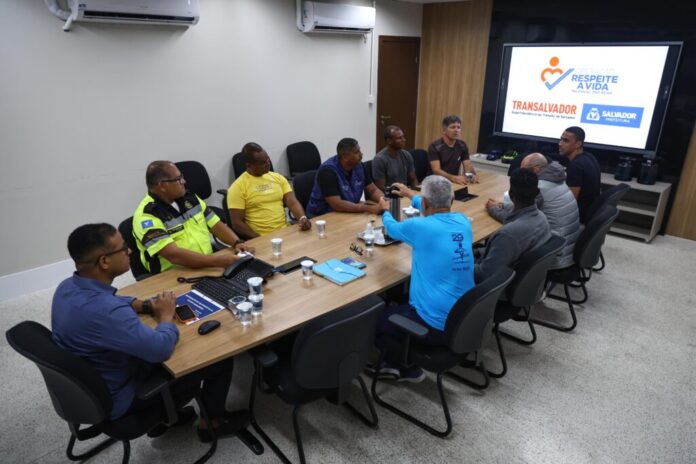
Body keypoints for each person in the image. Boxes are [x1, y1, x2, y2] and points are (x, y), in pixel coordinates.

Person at [51, 223, 249, 442]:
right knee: (217, 357)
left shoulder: (67, 287)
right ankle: (212, 424)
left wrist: (144, 305)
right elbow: (160, 350)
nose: (130, 251)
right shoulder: (107, 312)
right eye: (123, 248)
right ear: (104, 261)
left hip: (96, 383)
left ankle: (165, 420)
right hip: (124, 398)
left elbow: (110, 300)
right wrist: (165, 315)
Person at [374, 175, 475, 382]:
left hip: (435, 327)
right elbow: (433, 207)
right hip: (464, 318)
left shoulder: (420, 227)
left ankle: (404, 368)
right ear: (452, 200)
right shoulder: (463, 222)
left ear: (426, 203)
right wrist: (409, 194)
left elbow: (391, 228)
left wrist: (384, 210)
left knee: (378, 319)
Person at [133, 160, 254, 275]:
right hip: (174, 274)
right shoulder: (147, 216)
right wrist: (219, 261)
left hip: (206, 264)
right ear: (162, 185)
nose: (184, 181)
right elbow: (174, 255)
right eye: (178, 179)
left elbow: (216, 225)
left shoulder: (190, 199)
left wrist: (237, 242)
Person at [485, 153, 580, 269]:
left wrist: (494, 210)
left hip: (551, 257)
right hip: (565, 247)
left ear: (535, 170)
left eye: (524, 169)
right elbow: (526, 208)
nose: (522, 172)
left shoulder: (539, 187)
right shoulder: (556, 178)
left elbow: (520, 218)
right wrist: (503, 205)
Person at [476, 168, 551, 282]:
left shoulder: (508, 234)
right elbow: (505, 249)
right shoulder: (542, 218)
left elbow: (483, 275)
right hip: (525, 281)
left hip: (496, 285)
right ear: (537, 193)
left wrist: (456, 264)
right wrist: (479, 251)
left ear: (511, 194)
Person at [227, 143, 311, 238]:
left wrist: (302, 218)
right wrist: (259, 239)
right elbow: (237, 223)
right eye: (262, 163)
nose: (268, 164)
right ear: (249, 165)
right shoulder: (237, 187)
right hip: (260, 237)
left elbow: (292, 203)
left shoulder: (278, 178)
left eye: (267, 159)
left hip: (285, 232)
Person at [306, 138, 384, 216]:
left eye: (359, 150)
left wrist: (384, 200)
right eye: (356, 152)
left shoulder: (359, 166)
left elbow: (373, 191)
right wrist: (367, 208)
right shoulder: (327, 172)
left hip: (348, 211)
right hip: (322, 215)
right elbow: (337, 204)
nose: (361, 154)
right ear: (345, 157)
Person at [558, 126, 601, 223]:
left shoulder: (576, 166)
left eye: (566, 141)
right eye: (561, 139)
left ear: (578, 144)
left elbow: (570, 203)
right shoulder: (589, 157)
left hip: (578, 218)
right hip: (590, 213)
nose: (560, 144)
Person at [427, 115, 477, 185]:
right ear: (444, 130)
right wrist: (454, 178)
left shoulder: (462, 145)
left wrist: (469, 176)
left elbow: (467, 165)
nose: (456, 130)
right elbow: (436, 171)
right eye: (453, 127)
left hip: (453, 183)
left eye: (458, 127)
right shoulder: (434, 146)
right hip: (435, 183)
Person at [372, 125, 418, 191]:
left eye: (403, 137)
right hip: (390, 194)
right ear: (389, 141)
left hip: (405, 193)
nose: (404, 140)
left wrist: (415, 194)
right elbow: (381, 188)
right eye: (399, 138)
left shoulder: (406, 155)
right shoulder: (379, 159)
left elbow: (413, 179)